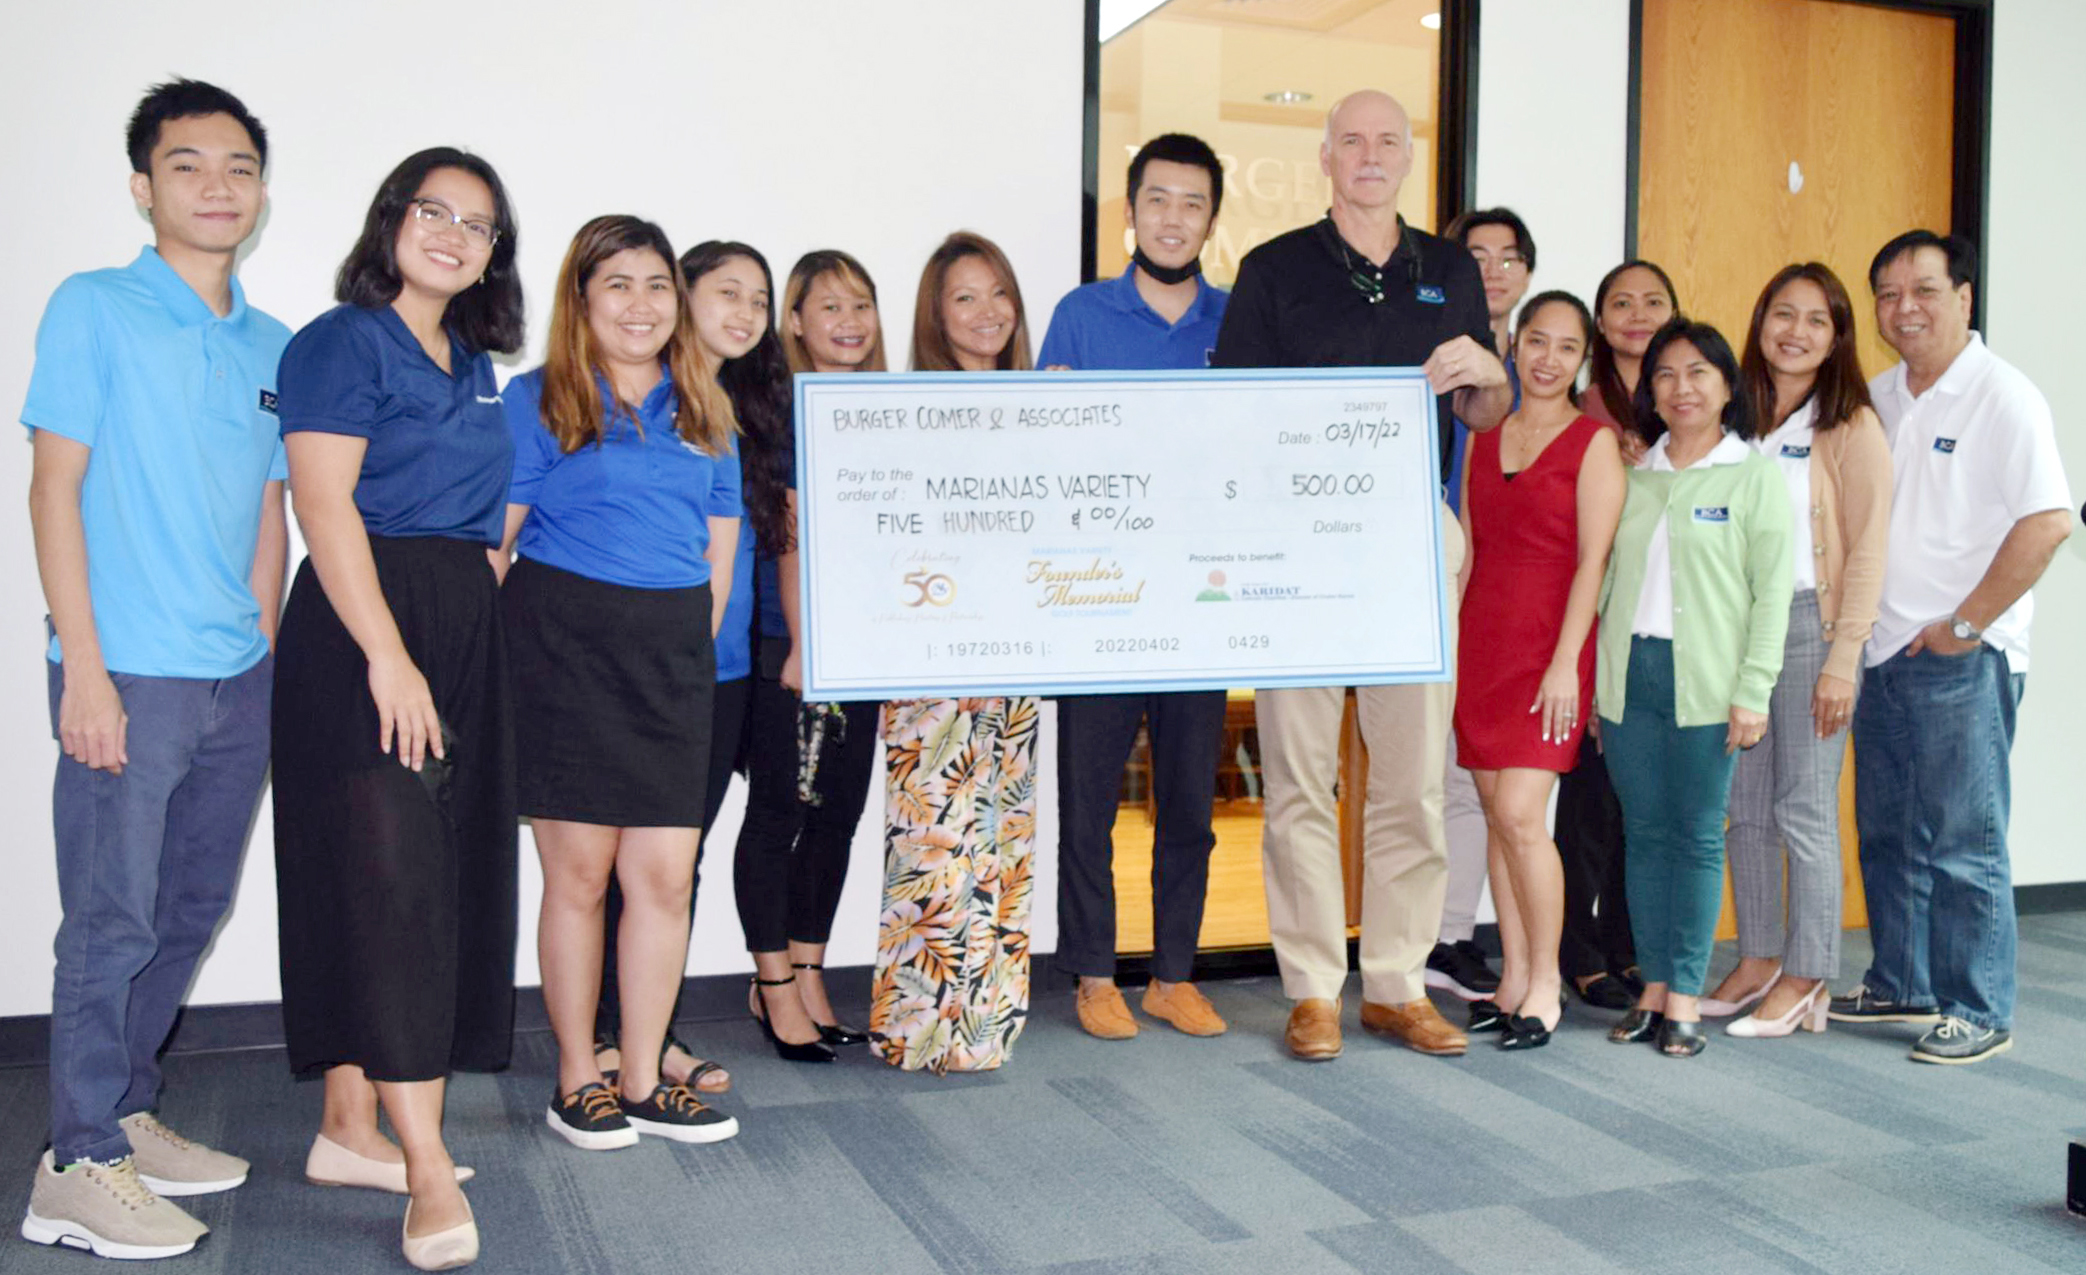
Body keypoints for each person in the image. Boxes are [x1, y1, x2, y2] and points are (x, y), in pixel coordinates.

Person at [21, 79, 283, 1262]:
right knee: (111, 919)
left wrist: (268, 651)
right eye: (187, 165)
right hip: (124, 670)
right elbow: (54, 487)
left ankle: (124, 1109)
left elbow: (270, 514)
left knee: (190, 908)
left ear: (261, 190)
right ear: (144, 186)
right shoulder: (94, 308)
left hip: (238, 677)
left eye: (237, 165)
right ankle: (76, 1162)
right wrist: (84, 667)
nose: (216, 185)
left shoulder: (274, 344)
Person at [1212, 89, 1511, 1063]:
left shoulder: (1451, 269)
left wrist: (1484, 369)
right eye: (1352, 141)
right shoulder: (1273, 271)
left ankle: (1392, 981)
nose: (1370, 155)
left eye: (1387, 141)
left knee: (1413, 776)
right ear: (1326, 158)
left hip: (1410, 544)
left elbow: (1487, 412)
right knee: (1297, 772)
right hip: (1301, 542)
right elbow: (1234, 420)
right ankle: (1309, 988)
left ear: (1407, 157)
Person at [272, 147, 525, 1271]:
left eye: (477, 226)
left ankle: (347, 1126)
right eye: (435, 211)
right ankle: (425, 1168)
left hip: (460, 618)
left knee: (425, 872)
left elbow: (480, 515)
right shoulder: (335, 342)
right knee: (390, 885)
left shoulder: (471, 358)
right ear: (391, 221)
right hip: (363, 623)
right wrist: (389, 654)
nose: (453, 235)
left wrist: (474, 622)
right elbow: (323, 507)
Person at [496, 216, 741, 1151]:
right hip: (563, 651)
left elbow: (715, 566)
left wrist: (682, 654)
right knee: (582, 875)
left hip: (670, 658)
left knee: (664, 878)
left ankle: (643, 1078)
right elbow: (497, 547)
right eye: (618, 285)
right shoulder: (541, 400)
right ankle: (577, 1078)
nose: (640, 305)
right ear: (582, 301)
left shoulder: (705, 404)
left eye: (656, 285)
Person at [1831, 231, 2072, 1064]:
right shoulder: (1878, 396)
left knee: (1965, 837)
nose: (1905, 308)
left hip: (1963, 655)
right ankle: (1904, 980)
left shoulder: (2004, 396)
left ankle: (1979, 1005)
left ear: (1964, 297)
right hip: (1884, 651)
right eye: (1888, 293)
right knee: (1890, 832)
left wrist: (1964, 625)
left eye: (1925, 290)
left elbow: (2049, 521)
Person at [1037, 132, 1231, 1041]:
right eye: (1157, 199)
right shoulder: (1080, 315)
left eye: (1191, 203)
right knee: (1089, 796)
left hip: (1199, 598)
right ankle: (1092, 973)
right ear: (1129, 210)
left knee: (1189, 798)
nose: (1173, 218)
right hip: (1100, 596)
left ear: (1211, 219)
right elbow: (1041, 453)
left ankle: (1174, 972)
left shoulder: (1238, 322)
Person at [592, 241, 791, 1094]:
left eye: (759, 299)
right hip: (648, 666)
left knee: (678, 862)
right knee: (622, 861)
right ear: (680, 297)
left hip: (729, 665)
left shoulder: (746, 403)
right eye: (725, 293)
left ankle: (649, 1030)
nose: (744, 313)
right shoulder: (646, 400)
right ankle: (613, 1037)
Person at [1704, 263, 1891, 1039]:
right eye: (1783, 313)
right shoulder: (1734, 415)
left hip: (1812, 625)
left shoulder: (1850, 425)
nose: (1797, 332)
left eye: (1818, 320)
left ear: (1838, 336)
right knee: (1744, 807)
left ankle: (1810, 969)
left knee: (1803, 806)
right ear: (1760, 321)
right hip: (1737, 629)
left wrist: (1845, 656)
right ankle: (1759, 956)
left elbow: (1872, 546)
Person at [1598, 319, 1792, 1060]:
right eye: (1666, 375)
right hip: (1630, 679)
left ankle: (1684, 988)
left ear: (1726, 386)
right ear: (1650, 390)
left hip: (1709, 683)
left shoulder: (1752, 474)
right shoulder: (1635, 474)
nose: (1682, 388)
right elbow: (1610, 580)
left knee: (1697, 834)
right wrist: (1596, 686)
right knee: (1643, 836)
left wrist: (1755, 689)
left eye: (1698, 372)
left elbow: (1770, 595)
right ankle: (1653, 986)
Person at [869, 231, 1040, 1073]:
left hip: (1014, 652)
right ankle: (920, 1027)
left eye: (999, 293)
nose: (988, 313)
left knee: (999, 836)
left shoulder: (1038, 407)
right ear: (937, 315)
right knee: (934, 833)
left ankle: (988, 1022)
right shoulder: (905, 411)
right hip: (929, 652)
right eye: (965, 297)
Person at [1454, 291, 1625, 1050]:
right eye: (1536, 341)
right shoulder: (1484, 436)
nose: (1548, 358)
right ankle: (1513, 976)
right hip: (1482, 640)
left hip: (1550, 649)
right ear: (1514, 346)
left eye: (1565, 346)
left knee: (1524, 815)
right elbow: (1470, 550)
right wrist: (1449, 654)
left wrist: (1565, 665)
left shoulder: (1595, 443)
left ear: (1581, 357)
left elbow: (1594, 560)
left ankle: (1547, 980)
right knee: (1498, 816)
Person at [734, 248, 889, 1063]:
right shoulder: (783, 409)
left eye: (861, 305)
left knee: (837, 817)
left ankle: (810, 969)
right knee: (777, 814)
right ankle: (771, 986)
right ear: (793, 321)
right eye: (828, 307)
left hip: (862, 644)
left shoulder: (883, 407)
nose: (849, 322)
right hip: (789, 643)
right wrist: (800, 643)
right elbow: (788, 533)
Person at [1556, 259, 1681, 1012]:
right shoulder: (1581, 411)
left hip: (1665, 629)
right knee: (1590, 806)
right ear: (1600, 323)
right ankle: (1579, 951)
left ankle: (1630, 947)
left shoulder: (1692, 406)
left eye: (1654, 302)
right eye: (1621, 303)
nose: (1638, 314)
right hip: (1595, 623)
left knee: (1648, 807)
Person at [1426, 207, 1538, 1003]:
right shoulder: (1434, 354)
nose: (1494, 270)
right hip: (1439, 579)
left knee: (1484, 778)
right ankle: (1431, 932)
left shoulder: (1538, 363)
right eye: (1477, 256)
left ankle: (1457, 935)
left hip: (1509, 597)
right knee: (1435, 770)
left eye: (1509, 257)